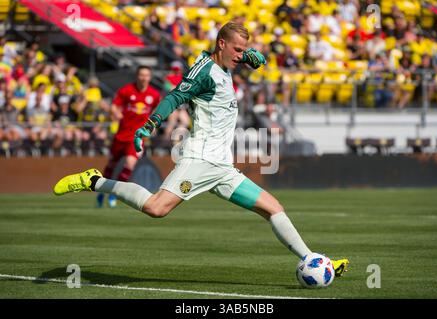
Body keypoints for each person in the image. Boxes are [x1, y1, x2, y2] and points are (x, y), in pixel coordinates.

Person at [53, 22, 349, 277]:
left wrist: (250, 57)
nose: (240, 55)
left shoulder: (226, 63)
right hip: (199, 159)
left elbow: (239, 56)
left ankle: (314, 260)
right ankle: (95, 181)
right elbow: (175, 96)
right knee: (156, 209)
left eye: (242, 50)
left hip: (222, 167)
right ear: (221, 44)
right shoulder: (204, 69)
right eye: (236, 49)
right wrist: (151, 123)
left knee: (273, 209)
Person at [96, 66, 161, 208]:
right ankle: (101, 192)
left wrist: (154, 125)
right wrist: (115, 113)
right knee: (112, 165)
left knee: (130, 164)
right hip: (121, 135)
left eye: (147, 75)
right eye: (141, 75)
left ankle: (115, 194)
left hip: (138, 137)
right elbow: (114, 105)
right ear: (137, 76)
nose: (144, 78)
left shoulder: (154, 94)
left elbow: (159, 111)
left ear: (150, 77)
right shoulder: (126, 90)